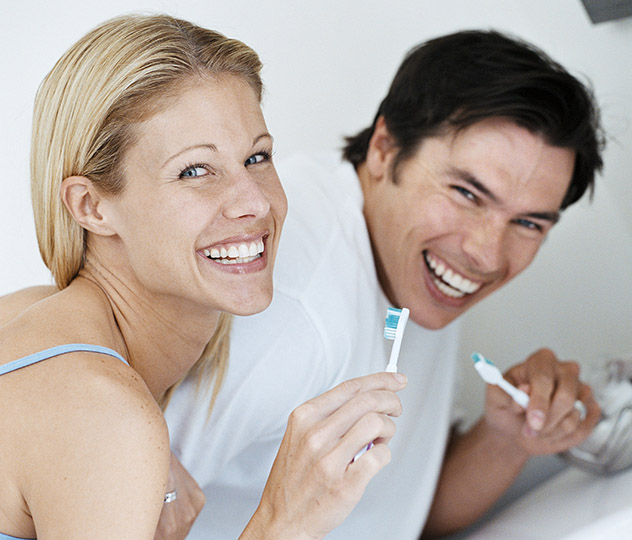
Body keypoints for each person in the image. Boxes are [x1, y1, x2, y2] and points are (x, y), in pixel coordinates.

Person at [162, 29, 606, 539]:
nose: (486, 253)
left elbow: (402, 512)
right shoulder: (289, 310)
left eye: (528, 223)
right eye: (466, 193)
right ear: (384, 148)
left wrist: (508, 436)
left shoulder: (414, 262)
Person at [0, 14, 406, 540]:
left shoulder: (35, 321)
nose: (256, 201)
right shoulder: (103, 417)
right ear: (92, 206)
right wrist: (282, 522)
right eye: (195, 171)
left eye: (257, 157)